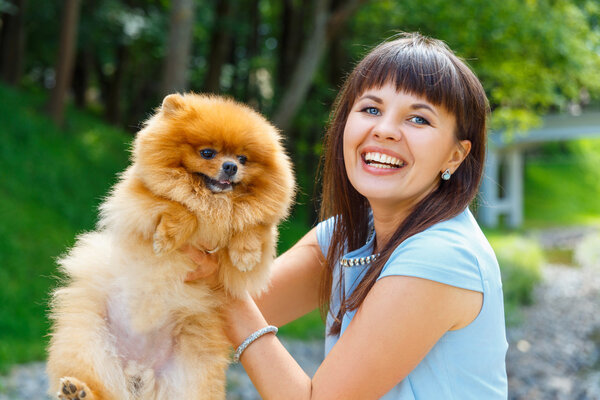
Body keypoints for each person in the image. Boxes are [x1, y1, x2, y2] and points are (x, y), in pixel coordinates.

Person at [185, 32, 508, 399]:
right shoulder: (347, 234)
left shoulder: (441, 256)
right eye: (371, 109)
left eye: (418, 119)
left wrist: (225, 294)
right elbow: (200, 316)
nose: (384, 130)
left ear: (455, 155)